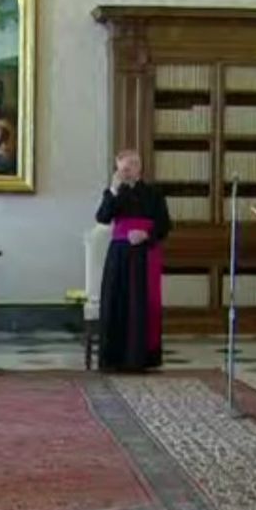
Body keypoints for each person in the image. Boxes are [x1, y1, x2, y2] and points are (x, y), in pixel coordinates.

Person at [94, 149, 171, 372]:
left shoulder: (154, 193)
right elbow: (102, 217)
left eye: (128, 168)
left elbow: (165, 225)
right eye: (121, 169)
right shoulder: (115, 193)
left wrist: (146, 234)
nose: (125, 173)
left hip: (144, 254)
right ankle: (113, 358)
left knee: (140, 305)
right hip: (119, 256)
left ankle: (139, 359)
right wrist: (113, 190)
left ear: (138, 167)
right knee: (115, 302)